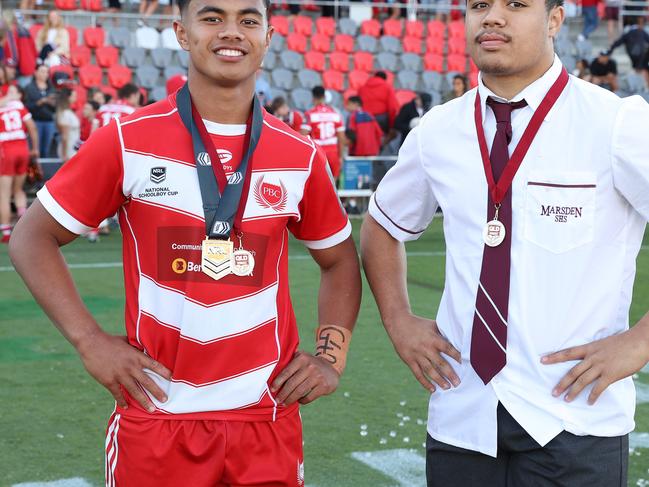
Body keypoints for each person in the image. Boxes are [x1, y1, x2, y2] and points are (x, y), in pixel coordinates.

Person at [9, 1, 361, 486]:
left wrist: (330, 356)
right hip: (156, 417)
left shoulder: (299, 154)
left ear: (269, 36)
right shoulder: (128, 140)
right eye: (212, 17)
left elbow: (340, 260)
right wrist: (89, 342)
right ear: (181, 31)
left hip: (266, 420)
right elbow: (31, 237)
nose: (231, 32)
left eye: (248, 20)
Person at [361, 0, 649, 484]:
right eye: (479, 6)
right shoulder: (438, 129)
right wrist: (398, 320)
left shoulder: (615, 122)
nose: (492, 17)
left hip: (574, 419)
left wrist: (640, 343)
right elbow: (381, 226)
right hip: (462, 414)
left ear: (555, 20)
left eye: (515, 4)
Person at [0, 84, 38, 243]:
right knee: (19, 190)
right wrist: (35, 148)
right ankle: (26, 228)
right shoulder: (19, 106)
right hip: (22, 148)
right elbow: (32, 128)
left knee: (4, 193)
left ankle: (7, 231)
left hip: (5, 150)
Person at [302, 85, 346, 179]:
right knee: (333, 185)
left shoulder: (310, 114)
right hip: (333, 153)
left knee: (319, 184)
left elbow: (302, 136)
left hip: (318, 154)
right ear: (324, 97)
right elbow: (341, 138)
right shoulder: (335, 114)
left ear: (313, 98)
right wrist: (340, 156)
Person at [23, 64, 56, 157]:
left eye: (46, 72)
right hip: (35, 122)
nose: (45, 74)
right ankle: (34, 171)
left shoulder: (52, 88)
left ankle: (45, 171)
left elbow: (56, 107)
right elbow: (26, 107)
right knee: (34, 150)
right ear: (35, 72)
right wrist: (42, 101)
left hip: (49, 121)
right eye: (42, 71)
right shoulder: (29, 88)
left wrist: (52, 103)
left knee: (46, 150)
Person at [55, 88, 79, 162]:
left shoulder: (68, 112)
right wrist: (64, 154)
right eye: (74, 96)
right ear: (68, 98)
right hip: (68, 150)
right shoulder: (65, 114)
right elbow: (65, 136)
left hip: (73, 148)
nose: (76, 98)